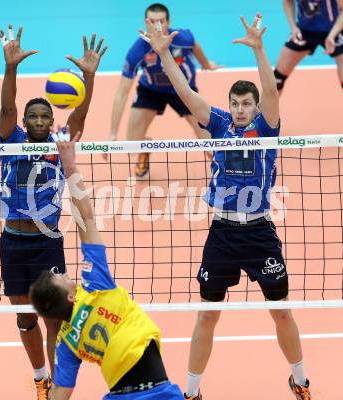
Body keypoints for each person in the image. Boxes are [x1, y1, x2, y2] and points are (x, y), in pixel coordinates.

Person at [139, 13, 312, 400]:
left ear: (254, 106)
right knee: (208, 314)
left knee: (281, 311)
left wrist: (260, 50)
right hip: (222, 232)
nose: (239, 109)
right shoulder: (217, 123)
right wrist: (165, 56)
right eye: (235, 103)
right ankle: (192, 391)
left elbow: (271, 91)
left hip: (260, 232)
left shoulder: (266, 127)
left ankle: (300, 381)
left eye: (245, 104)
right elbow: (185, 93)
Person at [29, 130, 184, 400]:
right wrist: (70, 166)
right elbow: (86, 219)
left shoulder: (66, 343)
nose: (67, 276)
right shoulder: (95, 286)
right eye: (63, 278)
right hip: (158, 392)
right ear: (70, 294)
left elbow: (60, 394)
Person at [0, 24, 107, 399]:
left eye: (46, 117)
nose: (41, 122)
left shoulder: (61, 144)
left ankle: (58, 388)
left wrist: (89, 78)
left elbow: (80, 118)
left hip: (47, 243)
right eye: (35, 118)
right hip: (13, 242)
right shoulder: (9, 141)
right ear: (26, 123)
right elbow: (7, 106)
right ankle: (41, 377)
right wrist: (10, 67)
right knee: (25, 317)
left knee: (54, 321)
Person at [106, 3, 221, 178]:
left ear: (168, 22)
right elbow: (122, 93)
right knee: (131, 143)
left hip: (184, 90)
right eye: (152, 21)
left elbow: (195, 47)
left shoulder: (183, 37)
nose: (156, 25)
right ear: (146, 23)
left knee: (209, 144)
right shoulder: (138, 50)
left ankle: (223, 168)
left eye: (160, 21)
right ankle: (144, 149)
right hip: (151, 91)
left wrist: (206, 64)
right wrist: (113, 134)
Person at [274, 0, 343, 94]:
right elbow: (287, 1)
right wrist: (293, 27)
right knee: (276, 80)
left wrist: (332, 35)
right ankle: (268, 109)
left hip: (334, 29)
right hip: (304, 31)